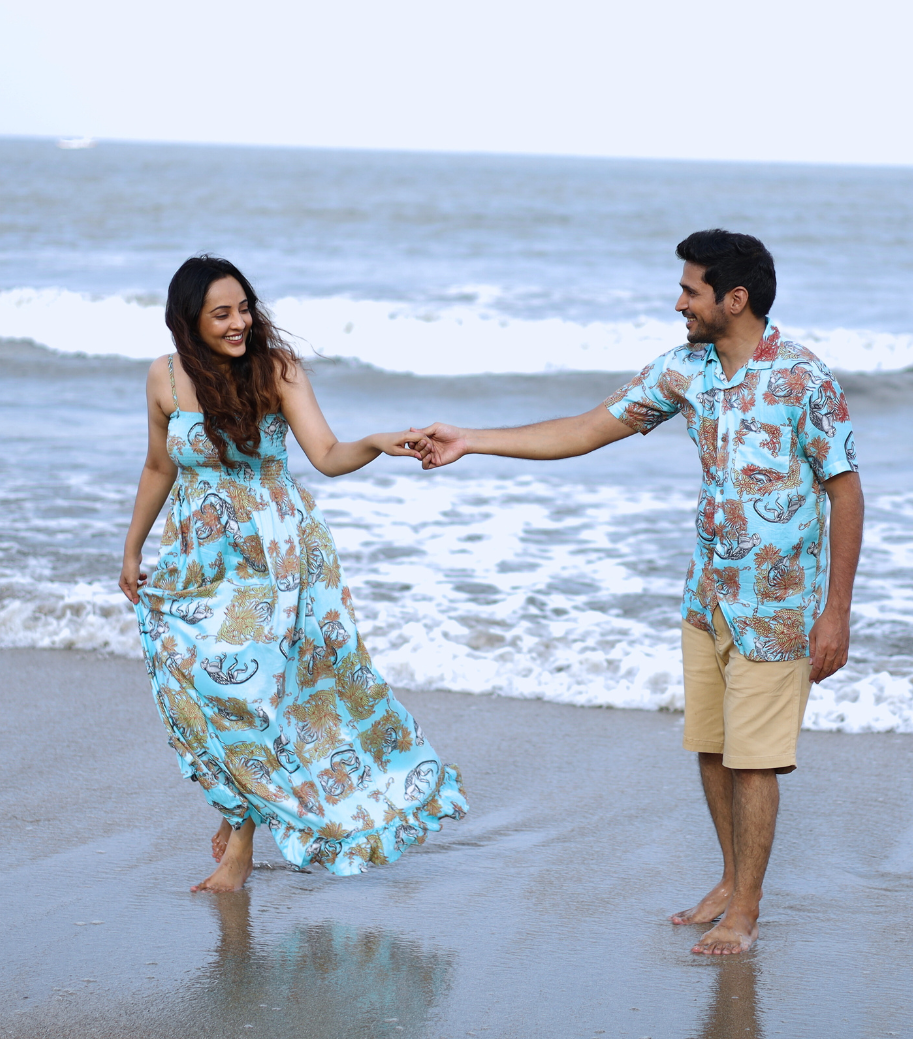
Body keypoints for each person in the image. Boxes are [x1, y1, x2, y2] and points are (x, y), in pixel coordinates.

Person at [415, 229, 863, 955]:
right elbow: (583, 429)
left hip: (778, 608)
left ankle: (746, 911)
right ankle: (729, 881)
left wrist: (836, 612)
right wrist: (472, 439)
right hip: (706, 597)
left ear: (735, 299)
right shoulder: (685, 371)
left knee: (754, 760)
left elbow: (846, 491)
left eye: (691, 291)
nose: (679, 303)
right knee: (713, 749)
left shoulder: (804, 379)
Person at [119, 255, 467, 893]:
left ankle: (240, 845)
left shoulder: (276, 368)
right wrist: (132, 549)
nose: (239, 323)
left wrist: (376, 442)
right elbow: (159, 466)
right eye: (221, 314)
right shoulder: (163, 377)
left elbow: (327, 455)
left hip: (275, 555)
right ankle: (240, 801)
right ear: (187, 321)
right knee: (204, 683)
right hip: (200, 558)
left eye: (244, 309)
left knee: (260, 694)